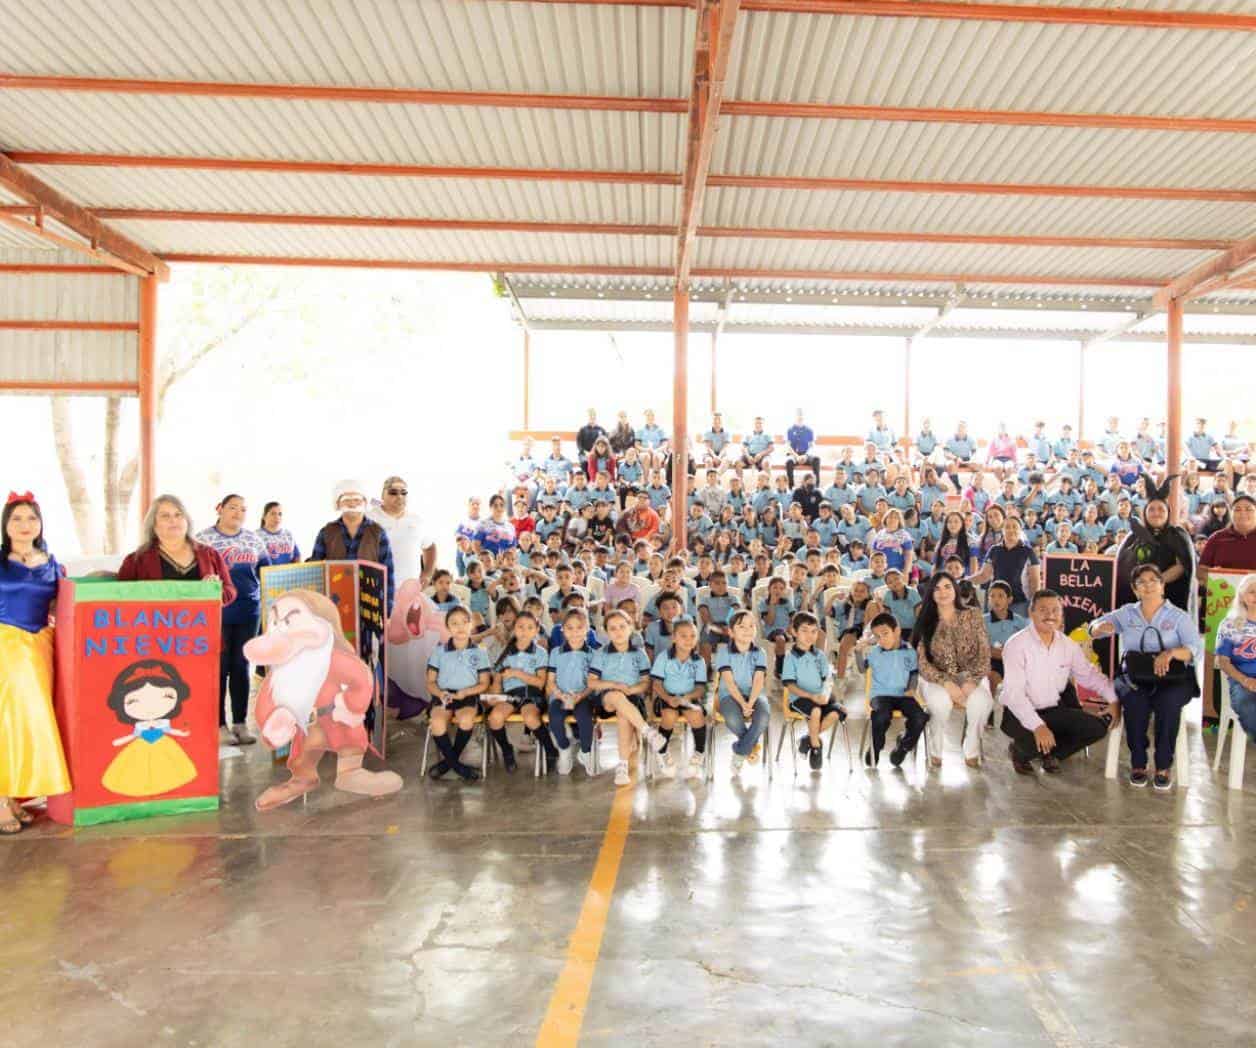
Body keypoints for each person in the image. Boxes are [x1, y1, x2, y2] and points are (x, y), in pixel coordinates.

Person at [1089, 563, 1200, 790]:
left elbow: (1194, 650)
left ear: (1162, 586)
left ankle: (1163, 764)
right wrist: (1100, 628)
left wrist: (1170, 653)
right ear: (1135, 589)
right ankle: (1138, 762)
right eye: (1141, 582)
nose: (1148, 585)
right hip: (1135, 675)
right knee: (1134, 701)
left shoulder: (1179, 616)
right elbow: (1094, 625)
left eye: (1153, 580)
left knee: (1168, 704)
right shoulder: (1127, 613)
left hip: (1173, 677)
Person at [0, 493, 71, 834]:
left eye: (31, 518)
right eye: (16, 519)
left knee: (30, 722)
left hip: (41, 646)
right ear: (6, 525)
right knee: (8, 720)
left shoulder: (52, 562)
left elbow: (63, 605)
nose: (24, 525)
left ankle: (16, 795)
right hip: (7, 645)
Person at [1000, 590, 1116, 775]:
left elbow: (1089, 675)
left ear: (1061, 615)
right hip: (1018, 713)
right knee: (1032, 740)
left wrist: (1113, 699)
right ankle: (1019, 752)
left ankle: (1053, 755)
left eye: (1055, 610)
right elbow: (1014, 695)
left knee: (1097, 728)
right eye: (1043, 610)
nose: (1050, 615)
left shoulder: (1068, 645)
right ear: (1031, 613)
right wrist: (1038, 726)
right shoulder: (1016, 645)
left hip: (1053, 710)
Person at [196, 494, 271, 745]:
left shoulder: (253, 539)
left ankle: (240, 723)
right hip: (217, 613)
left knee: (241, 667)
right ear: (220, 509)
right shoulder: (203, 539)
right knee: (219, 667)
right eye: (232, 508)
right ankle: (219, 725)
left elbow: (267, 572)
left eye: (242, 509)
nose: (237, 513)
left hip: (249, 611)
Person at [912, 573, 995, 768]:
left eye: (947, 586)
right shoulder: (925, 619)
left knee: (983, 702)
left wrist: (971, 681)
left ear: (955, 589)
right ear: (931, 593)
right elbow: (923, 663)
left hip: (971, 675)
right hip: (935, 678)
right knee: (940, 704)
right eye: (937, 588)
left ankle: (971, 748)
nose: (943, 592)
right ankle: (935, 749)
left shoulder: (973, 614)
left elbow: (984, 653)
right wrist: (946, 683)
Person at [590, 610, 667, 786]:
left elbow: (646, 683)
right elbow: (592, 682)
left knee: (624, 715)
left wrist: (632, 690)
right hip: (606, 699)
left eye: (622, 627)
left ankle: (622, 765)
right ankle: (648, 732)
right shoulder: (601, 653)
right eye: (613, 628)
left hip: (631, 698)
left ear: (631, 627)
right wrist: (614, 685)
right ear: (606, 632)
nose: (618, 632)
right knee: (616, 696)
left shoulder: (639, 654)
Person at [118, 494, 235, 600]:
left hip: (202, 623)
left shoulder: (210, 554)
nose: (173, 520)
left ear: (187, 521)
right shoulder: (135, 560)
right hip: (155, 623)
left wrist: (215, 591)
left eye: (178, 515)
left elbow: (230, 591)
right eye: (165, 516)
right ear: (153, 524)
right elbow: (119, 595)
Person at [484, 610, 558, 773]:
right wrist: (495, 688)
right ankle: (507, 750)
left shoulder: (540, 652)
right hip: (510, 695)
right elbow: (497, 683)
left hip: (532, 694)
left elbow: (540, 683)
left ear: (537, 630)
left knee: (530, 717)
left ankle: (550, 750)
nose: (524, 631)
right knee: (495, 718)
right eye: (521, 627)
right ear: (514, 629)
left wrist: (517, 673)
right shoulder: (504, 652)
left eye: (530, 627)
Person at [855, 611, 927, 768]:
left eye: (885, 634)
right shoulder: (875, 652)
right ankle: (876, 747)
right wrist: (858, 652)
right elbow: (862, 669)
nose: (882, 640)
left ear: (897, 631)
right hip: (881, 695)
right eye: (877, 636)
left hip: (903, 695)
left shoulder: (909, 651)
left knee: (920, 717)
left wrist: (911, 689)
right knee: (880, 716)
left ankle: (903, 746)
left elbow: (914, 673)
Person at [426, 605, 489, 782]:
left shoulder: (479, 652)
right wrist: (440, 693)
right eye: (454, 623)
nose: (460, 627)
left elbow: (484, 683)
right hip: (443, 695)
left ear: (472, 625)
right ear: (447, 627)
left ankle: (447, 764)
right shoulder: (439, 651)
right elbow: (430, 682)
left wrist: (466, 692)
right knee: (437, 721)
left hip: (467, 695)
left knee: (466, 719)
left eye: (464, 622)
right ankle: (458, 767)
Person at [310, 479, 396, 609]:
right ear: (338, 503)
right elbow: (315, 571)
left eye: (357, 499)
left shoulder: (378, 533)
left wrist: (387, 611)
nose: (352, 503)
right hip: (334, 605)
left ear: (365, 502)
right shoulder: (326, 532)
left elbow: (388, 574)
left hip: (370, 606)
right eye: (346, 499)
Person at [1113, 475, 1195, 611]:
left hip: (1170, 600)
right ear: (1145, 513)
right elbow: (1122, 569)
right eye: (1151, 509)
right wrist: (1141, 586)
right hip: (1136, 600)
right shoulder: (1134, 536)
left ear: (1168, 513)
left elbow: (1183, 566)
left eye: (1161, 509)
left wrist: (1155, 583)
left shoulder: (1178, 535)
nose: (1156, 513)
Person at [782, 611, 844, 771]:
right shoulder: (791, 657)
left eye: (814, 631)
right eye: (804, 630)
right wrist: (811, 696)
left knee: (836, 713)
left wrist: (825, 695)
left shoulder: (820, 655)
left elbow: (828, 679)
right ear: (794, 632)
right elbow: (790, 685)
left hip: (821, 696)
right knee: (815, 712)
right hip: (800, 698)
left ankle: (807, 739)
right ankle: (816, 748)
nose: (809, 635)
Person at [650, 617, 708, 780]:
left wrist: (686, 697)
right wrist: (668, 698)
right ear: (674, 638)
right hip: (666, 697)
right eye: (683, 636)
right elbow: (656, 684)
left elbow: (700, 688)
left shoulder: (699, 661)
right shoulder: (664, 657)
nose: (688, 640)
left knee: (696, 714)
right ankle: (662, 752)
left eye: (692, 636)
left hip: (688, 698)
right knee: (670, 715)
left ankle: (699, 753)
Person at [714, 610, 770, 773]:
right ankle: (750, 747)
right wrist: (742, 703)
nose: (748, 630)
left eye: (751, 626)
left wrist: (750, 703)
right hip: (729, 695)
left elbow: (759, 680)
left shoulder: (760, 653)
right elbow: (729, 682)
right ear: (731, 632)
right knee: (732, 717)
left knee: (763, 717)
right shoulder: (724, 652)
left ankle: (740, 750)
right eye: (742, 626)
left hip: (755, 694)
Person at [369, 475, 436, 587]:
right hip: (376, 590)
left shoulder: (416, 520)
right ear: (383, 495)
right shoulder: (369, 518)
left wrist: (427, 574)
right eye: (393, 493)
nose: (399, 496)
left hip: (410, 590)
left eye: (403, 493)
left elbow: (430, 547)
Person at [969, 517, 1040, 616]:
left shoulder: (1028, 552)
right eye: (1007, 527)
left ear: (1020, 530)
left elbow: (1035, 581)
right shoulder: (994, 550)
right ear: (1002, 530)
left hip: (1020, 603)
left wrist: (1034, 604)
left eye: (1015, 527)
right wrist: (964, 581)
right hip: (996, 602)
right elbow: (984, 575)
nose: (1011, 530)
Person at [1216, 574, 1256, 747]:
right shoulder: (1230, 624)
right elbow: (1223, 661)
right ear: (1242, 596)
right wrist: (1245, 680)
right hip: (1241, 683)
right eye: (1252, 592)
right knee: (1247, 704)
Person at [1200, 494, 1256, 571]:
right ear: (1231, 513)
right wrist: (1212, 574)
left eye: (1249, 509)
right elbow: (1201, 570)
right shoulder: (1216, 537)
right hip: (1222, 583)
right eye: (1237, 509)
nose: (1243, 513)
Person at [785, 409, 821, 488]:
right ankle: (791, 487)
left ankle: (816, 486)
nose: (800, 417)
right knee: (789, 462)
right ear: (795, 417)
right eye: (798, 415)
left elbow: (812, 446)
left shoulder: (809, 430)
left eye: (801, 415)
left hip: (806, 455)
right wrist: (796, 456)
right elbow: (788, 446)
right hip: (794, 455)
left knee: (816, 459)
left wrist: (806, 455)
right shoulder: (790, 430)